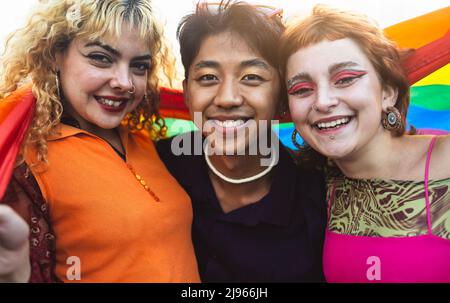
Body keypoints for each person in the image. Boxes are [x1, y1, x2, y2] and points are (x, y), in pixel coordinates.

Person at [0, 0, 199, 282]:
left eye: (139, 66)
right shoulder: (25, 164)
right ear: (56, 54)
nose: (125, 82)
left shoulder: (145, 139)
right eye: (101, 58)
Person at [156, 1, 326, 282]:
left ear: (282, 96)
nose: (227, 98)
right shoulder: (156, 169)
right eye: (208, 77)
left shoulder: (318, 200)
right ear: (187, 93)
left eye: (251, 77)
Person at [280, 5, 450, 282]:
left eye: (345, 79)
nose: (323, 101)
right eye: (302, 90)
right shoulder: (317, 183)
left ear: (388, 92)